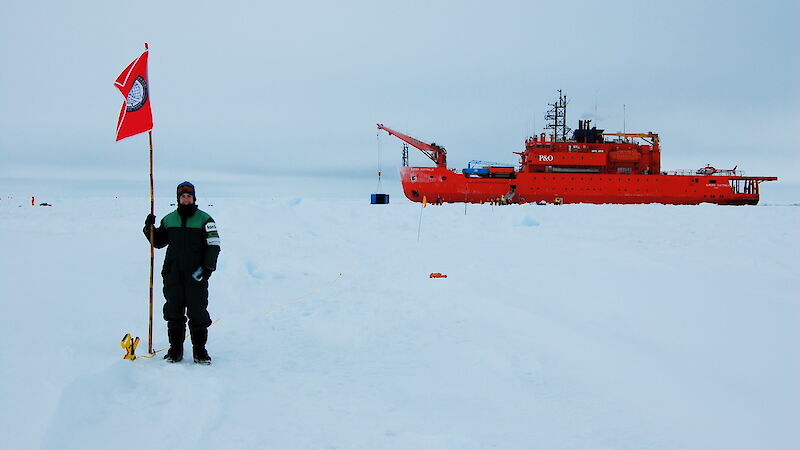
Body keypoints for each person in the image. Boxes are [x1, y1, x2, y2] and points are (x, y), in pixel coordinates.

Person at [143, 181, 220, 364]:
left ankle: (200, 351)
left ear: (194, 198)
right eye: (183, 196)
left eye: (189, 196)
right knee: (174, 312)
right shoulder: (169, 219)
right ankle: (175, 350)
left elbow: (214, 246)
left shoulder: (205, 219)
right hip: (173, 274)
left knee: (197, 312)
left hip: (196, 275)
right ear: (178, 199)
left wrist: (207, 268)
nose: (186, 199)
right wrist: (149, 229)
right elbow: (159, 242)